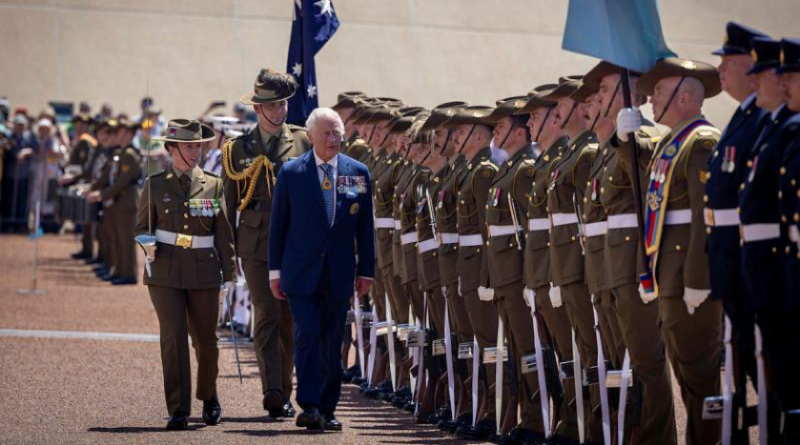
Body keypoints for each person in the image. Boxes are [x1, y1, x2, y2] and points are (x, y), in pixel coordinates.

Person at [628, 57, 724, 445]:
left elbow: (706, 217)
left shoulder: (702, 141)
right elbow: (651, 211)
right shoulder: (672, 141)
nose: (651, 100)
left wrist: (699, 280)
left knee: (699, 374)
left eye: (660, 93)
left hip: (688, 278)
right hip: (667, 276)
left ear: (685, 97)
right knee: (685, 372)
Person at [268, 107, 375, 431]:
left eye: (337, 132)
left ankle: (327, 408)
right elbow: (278, 227)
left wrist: (366, 270)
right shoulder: (291, 173)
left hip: (339, 273)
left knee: (331, 341)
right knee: (309, 335)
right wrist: (275, 272)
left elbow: (364, 229)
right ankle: (309, 404)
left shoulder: (358, 172)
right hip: (300, 273)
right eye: (326, 133)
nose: (332, 139)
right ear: (311, 136)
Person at [221, 68, 311, 419]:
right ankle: (272, 389)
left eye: (283, 103)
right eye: (271, 105)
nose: (279, 110)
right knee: (267, 313)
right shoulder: (238, 148)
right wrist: (225, 256)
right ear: (257, 108)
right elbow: (228, 208)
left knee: (287, 317)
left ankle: (284, 391)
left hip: (294, 242)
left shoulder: (304, 141)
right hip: (256, 242)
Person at [135, 119, 236, 430]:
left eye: (199, 146)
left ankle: (209, 395)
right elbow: (142, 227)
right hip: (164, 269)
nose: (196, 152)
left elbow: (223, 234)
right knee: (173, 337)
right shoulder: (154, 184)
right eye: (189, 146)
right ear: (171, 148)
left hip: (204, 268)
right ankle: (178, 408)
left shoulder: (213, 183)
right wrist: (148, 246)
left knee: (206, 340)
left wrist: (229, 275)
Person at [705, 24, 769, 442]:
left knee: (766, 366)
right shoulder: (743, 117)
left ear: (753, 66)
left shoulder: (763, 119)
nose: (721, 68)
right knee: (744, 358)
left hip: (756, 257)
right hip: (732, 257)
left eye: (729, 61)